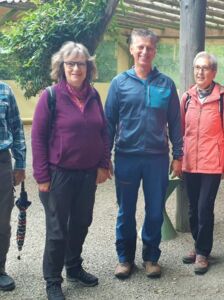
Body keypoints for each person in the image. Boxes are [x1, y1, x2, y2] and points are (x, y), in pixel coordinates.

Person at [31, 42, 111, 300]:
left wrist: (103, 163)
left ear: (89, 67)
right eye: (71, 63)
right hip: (58, 175)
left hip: (87, 173)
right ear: (61, 67)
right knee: (57, 230)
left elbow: (103, 132)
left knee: (81, 223)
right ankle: (53, 280)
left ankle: (74, 267)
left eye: (81, 63)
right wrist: (42, 176)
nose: (76, 68)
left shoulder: (94, 95)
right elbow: (38, 138)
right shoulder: (50, 96)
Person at [105, 29, 183, 280]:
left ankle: (151, 258)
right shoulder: (119, 83)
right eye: (140, 47)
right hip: (126, 156)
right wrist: (104, 156)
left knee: (155, 211)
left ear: (155, 51)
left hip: (157, 158)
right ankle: (125, 259)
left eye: (149, 48)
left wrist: (178, 155)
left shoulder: (166, 84)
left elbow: (175, 122)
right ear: (131, 49)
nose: (144, 51)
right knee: (125, 210)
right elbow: (109, 122)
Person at [180, 52, 224, 274]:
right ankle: (197, 244)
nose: (201, 72)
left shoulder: (223, 99)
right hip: (190, 161)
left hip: (212, 162)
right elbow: (180, 131)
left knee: (204, 208)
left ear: (214, 72)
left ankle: (203, 252)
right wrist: (177, 157)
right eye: (197, 68)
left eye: (206, 68)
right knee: (192, 209)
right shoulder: (187, 98)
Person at [0, 82, 26, 292]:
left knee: (2, 221)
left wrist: (20, 164)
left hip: (1, 162)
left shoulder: (5, 90)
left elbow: (17, 129)